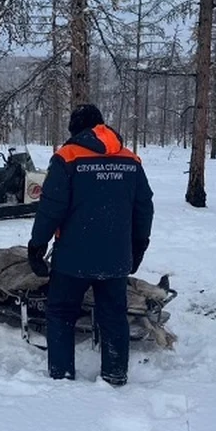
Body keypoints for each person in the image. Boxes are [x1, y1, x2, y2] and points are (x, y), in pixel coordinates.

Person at [27, 104, 154, 386]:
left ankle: (61, 376)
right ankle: (115, 374)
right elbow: (143, 207)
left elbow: (51, 208)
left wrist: (37, 245)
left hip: (73, 258)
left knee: (60, 313)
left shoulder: (68, 157)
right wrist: (139, 245)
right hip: (115, 257)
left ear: (75, 129)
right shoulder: (129, 159)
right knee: (114, 316)